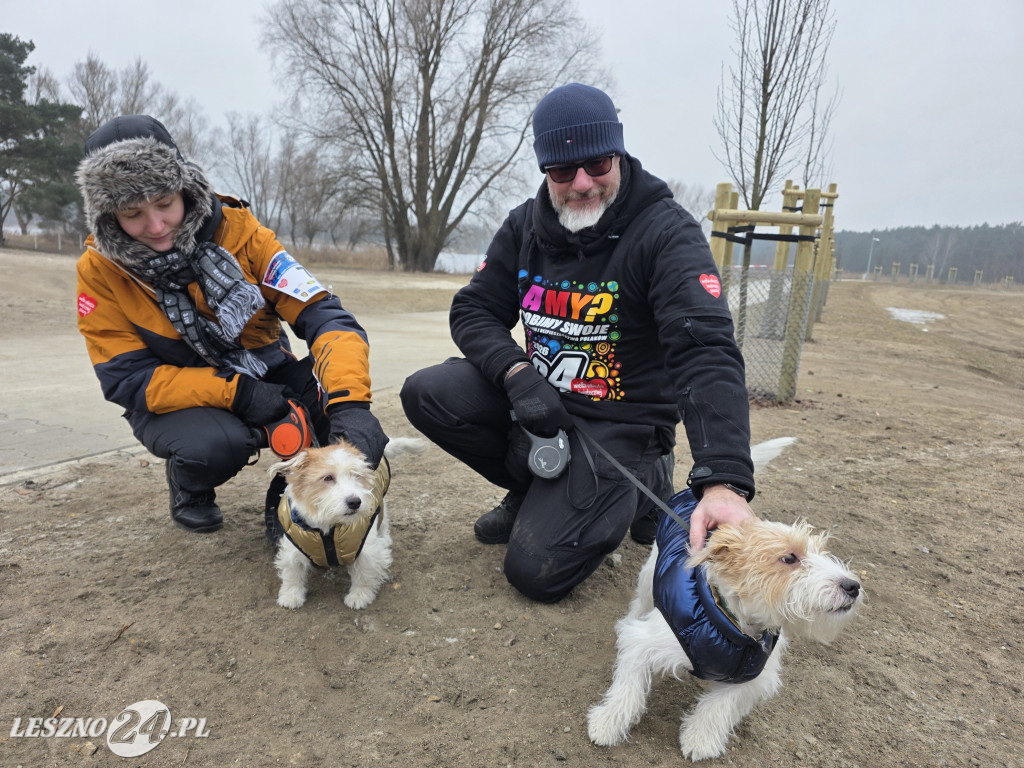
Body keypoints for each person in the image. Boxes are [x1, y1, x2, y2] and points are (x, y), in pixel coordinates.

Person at [400, 84, 755, 604]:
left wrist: (722, 478)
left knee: (536, 573)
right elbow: (473, 308)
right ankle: (533, 489)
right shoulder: (525, 224)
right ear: (545, 170)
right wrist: (515, 373)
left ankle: (643, 483)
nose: (582, 182)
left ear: (618, 152)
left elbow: (704, 349)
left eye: (597, 163)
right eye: (563, 171)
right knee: (427, 391)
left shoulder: (665, 232)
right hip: (540, 407)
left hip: (621, 424)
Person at [75, 115, 388, 536]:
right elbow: (127, 380)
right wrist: (237, 392)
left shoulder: (243, 233)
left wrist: (350, 404)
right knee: (212, 447)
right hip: (178, 393)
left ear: (185, 188)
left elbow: (326, 316)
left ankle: (291, 500)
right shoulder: (98, 272)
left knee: (332, 405)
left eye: (165, 203)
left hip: (264, 363)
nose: (155, 226)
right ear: (109, 215)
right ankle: (190, 484)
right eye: (133, 213)